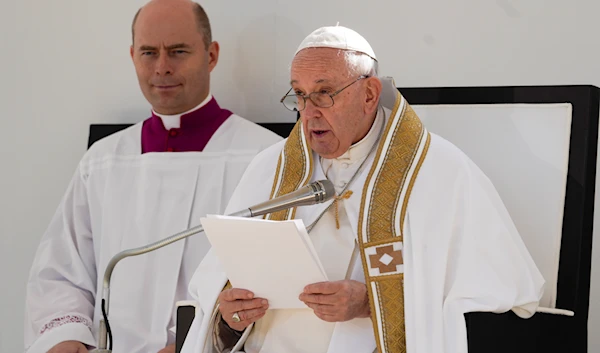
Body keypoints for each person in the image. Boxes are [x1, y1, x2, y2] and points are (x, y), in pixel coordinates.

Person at [180, 25, 545, 353]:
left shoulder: (439, 172)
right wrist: (230, 316)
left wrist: (370, 303)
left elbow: (496, 302)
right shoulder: (270, 169)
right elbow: (217, 301)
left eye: (324, 93)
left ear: (370, 94)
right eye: (299, 95)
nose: (308, 113)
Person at [24, 1, 282, 352]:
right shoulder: (102, 161)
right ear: (133, 56)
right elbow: (60, 273)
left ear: (211, 55)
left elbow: (277, 282)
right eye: (149, 52)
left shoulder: (266, 157)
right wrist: (66, 339)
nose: (162, 68)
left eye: (178, 51)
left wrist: (196, 343)